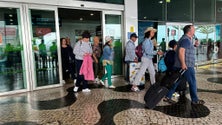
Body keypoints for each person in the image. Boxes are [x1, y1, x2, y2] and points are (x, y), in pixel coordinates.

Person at [165, 25, 205, 105]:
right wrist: (183, 64)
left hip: (181, 65)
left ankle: (167, 96)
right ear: (189, 31)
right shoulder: (186, 40)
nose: (194, 30)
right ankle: (195, 100)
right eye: (193, 29)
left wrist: (194, 45)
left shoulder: (185, 39)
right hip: (186, 65)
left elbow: (185, 50)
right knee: (192, 82)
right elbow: (181, 51)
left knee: (176, 81)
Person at [131, 27, 162, 92]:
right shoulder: (146, 41)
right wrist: (157, 52)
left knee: (152, 72)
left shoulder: (149, 40)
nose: (153, 33)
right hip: (146, 59)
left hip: (149, 59)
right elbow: (148, 52)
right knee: (141, 72)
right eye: (152, 32)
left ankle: (153, 85)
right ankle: (134, 86)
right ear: (148, 33)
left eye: (154, 32)